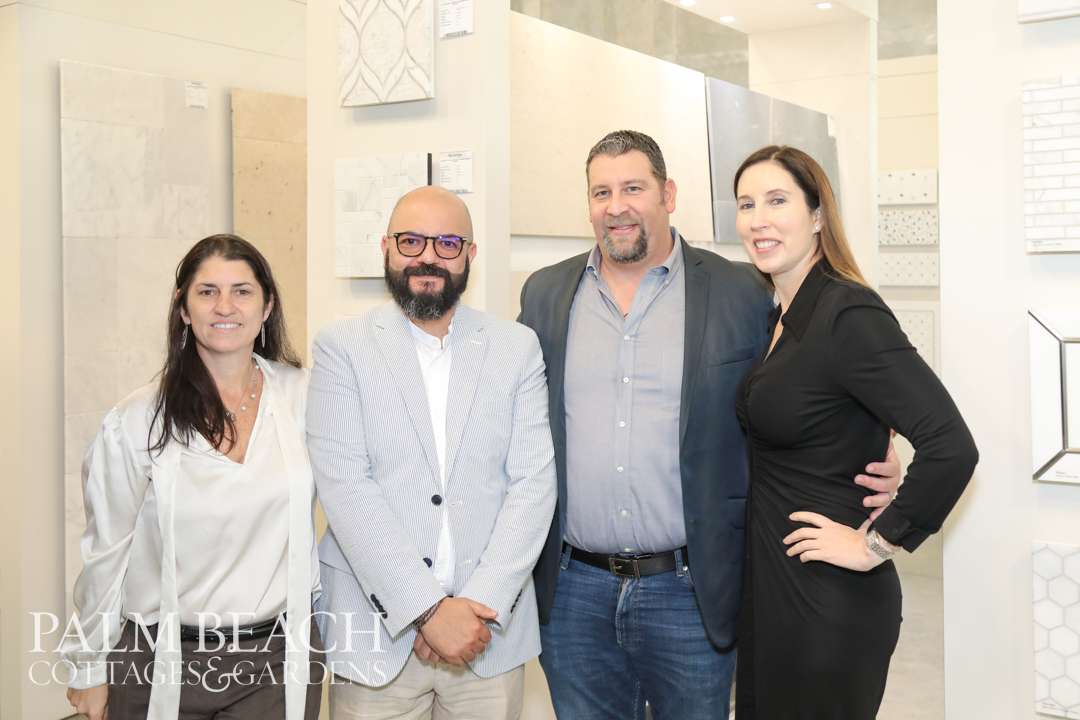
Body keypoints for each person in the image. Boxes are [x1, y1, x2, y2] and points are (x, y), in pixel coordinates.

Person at [516, 129, 901, 719]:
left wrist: (872, 456)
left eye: (633, 188)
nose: (616, 206)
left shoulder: (743, 292)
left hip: (691, 591)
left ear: (668, 194)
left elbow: (807, 388)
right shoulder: (545, 294)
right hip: (574, 593)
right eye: (601, 192)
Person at [731, 145, 978, 717]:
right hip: (773, 594)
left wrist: (874, 545)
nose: (758, 219)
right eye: (746, 204)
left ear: (818, 214)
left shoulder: (847, 313)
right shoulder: (780, 315)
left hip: (828, 604)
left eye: (777, 201)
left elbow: (951, 446)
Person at [307, 185, 557, 719]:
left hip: (486, 639)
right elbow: (346, 489)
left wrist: (475, 610)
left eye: (447, 243)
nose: (428, 257)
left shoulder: (516, 347)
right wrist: (426, 611)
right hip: (374, 641)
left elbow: (533, 485)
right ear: (385, 248)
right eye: (411, 241)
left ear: (470, 254)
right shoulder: (341, 347)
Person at [63, 234, 323, 720]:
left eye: (242, 291)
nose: (225, 306)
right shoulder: (137, 420)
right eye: (207, 292)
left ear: (267, 306)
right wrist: (88, 664)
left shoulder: (306, 398)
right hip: (157, 660)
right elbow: (106, 554)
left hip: (274, 662)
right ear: (183, 308)